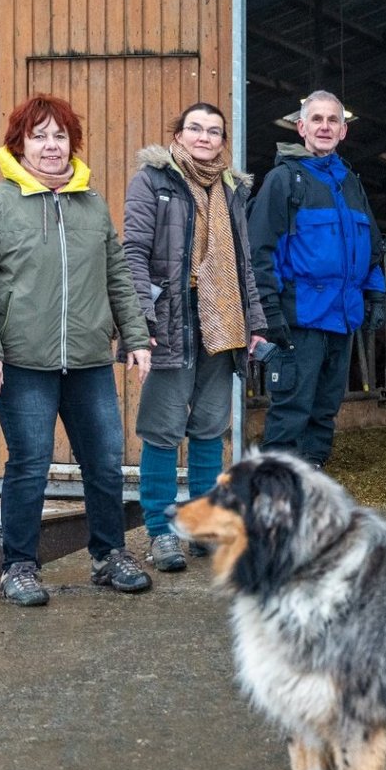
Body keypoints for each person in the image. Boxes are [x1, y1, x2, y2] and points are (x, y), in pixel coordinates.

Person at [0, 93, 155, 605]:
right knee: (30, 462)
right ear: (19, 144)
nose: (50, 146)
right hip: (21, 362)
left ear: (72, 144)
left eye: (59, 136)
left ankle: (109, 556)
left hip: (86, 361)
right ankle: (18, 566)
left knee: (106, 462)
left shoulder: (92, 205)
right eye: (38, 136)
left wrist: (135, 338)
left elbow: (117, 278)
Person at [123, 103, 268, 572]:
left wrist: (255, 321)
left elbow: (243, 261)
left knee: (209, 426)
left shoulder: (231, 190)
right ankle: (161, 531)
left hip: (223, 316)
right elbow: (134, 252)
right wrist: (140, 323)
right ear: (179, 135)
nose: (204, 138)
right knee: (162, 429)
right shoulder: (153, 180)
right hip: (170, 317)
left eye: (214, 131)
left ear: (224, 141)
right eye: (195, 129)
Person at [246, 90, 386, 468]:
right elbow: (261, 253)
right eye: (317, 119)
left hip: (341, 319)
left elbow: (371, 247)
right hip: (299, 319)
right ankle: (276, 499)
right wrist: (268, 315)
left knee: (325, 411)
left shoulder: (350, 183)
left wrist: (376, 295)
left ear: (343, 131)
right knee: (292, 409)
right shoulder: (283, 180)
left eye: (333, 121)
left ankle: (310, 487)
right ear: (301, 127)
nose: (324, 127)